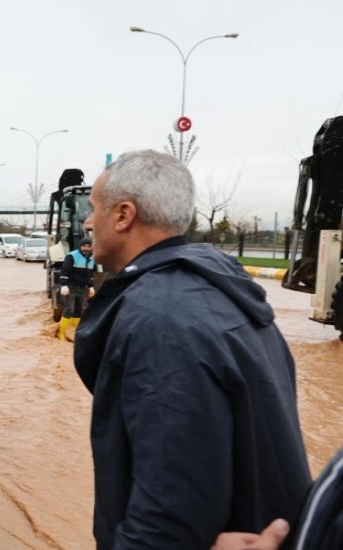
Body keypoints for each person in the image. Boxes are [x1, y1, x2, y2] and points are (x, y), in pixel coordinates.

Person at [76, 149, 310, 548]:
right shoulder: (223, 292)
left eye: (94, 208)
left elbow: (169, 514)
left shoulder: (161, 320)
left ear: (123, 215)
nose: (87, 222)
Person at [57, 237, 95, 340]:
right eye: (84, 246)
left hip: (82, 288)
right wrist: (64, 285)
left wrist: (91, 286)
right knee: (69, 310)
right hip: (71, 287)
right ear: (80, 246)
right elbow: (65, 271)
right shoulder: (71, 256)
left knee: (79, 311)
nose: (86, 248)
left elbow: (90, 274)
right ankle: (61, 333)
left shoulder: (92, 258)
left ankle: (73, 333)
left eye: (88, 246)